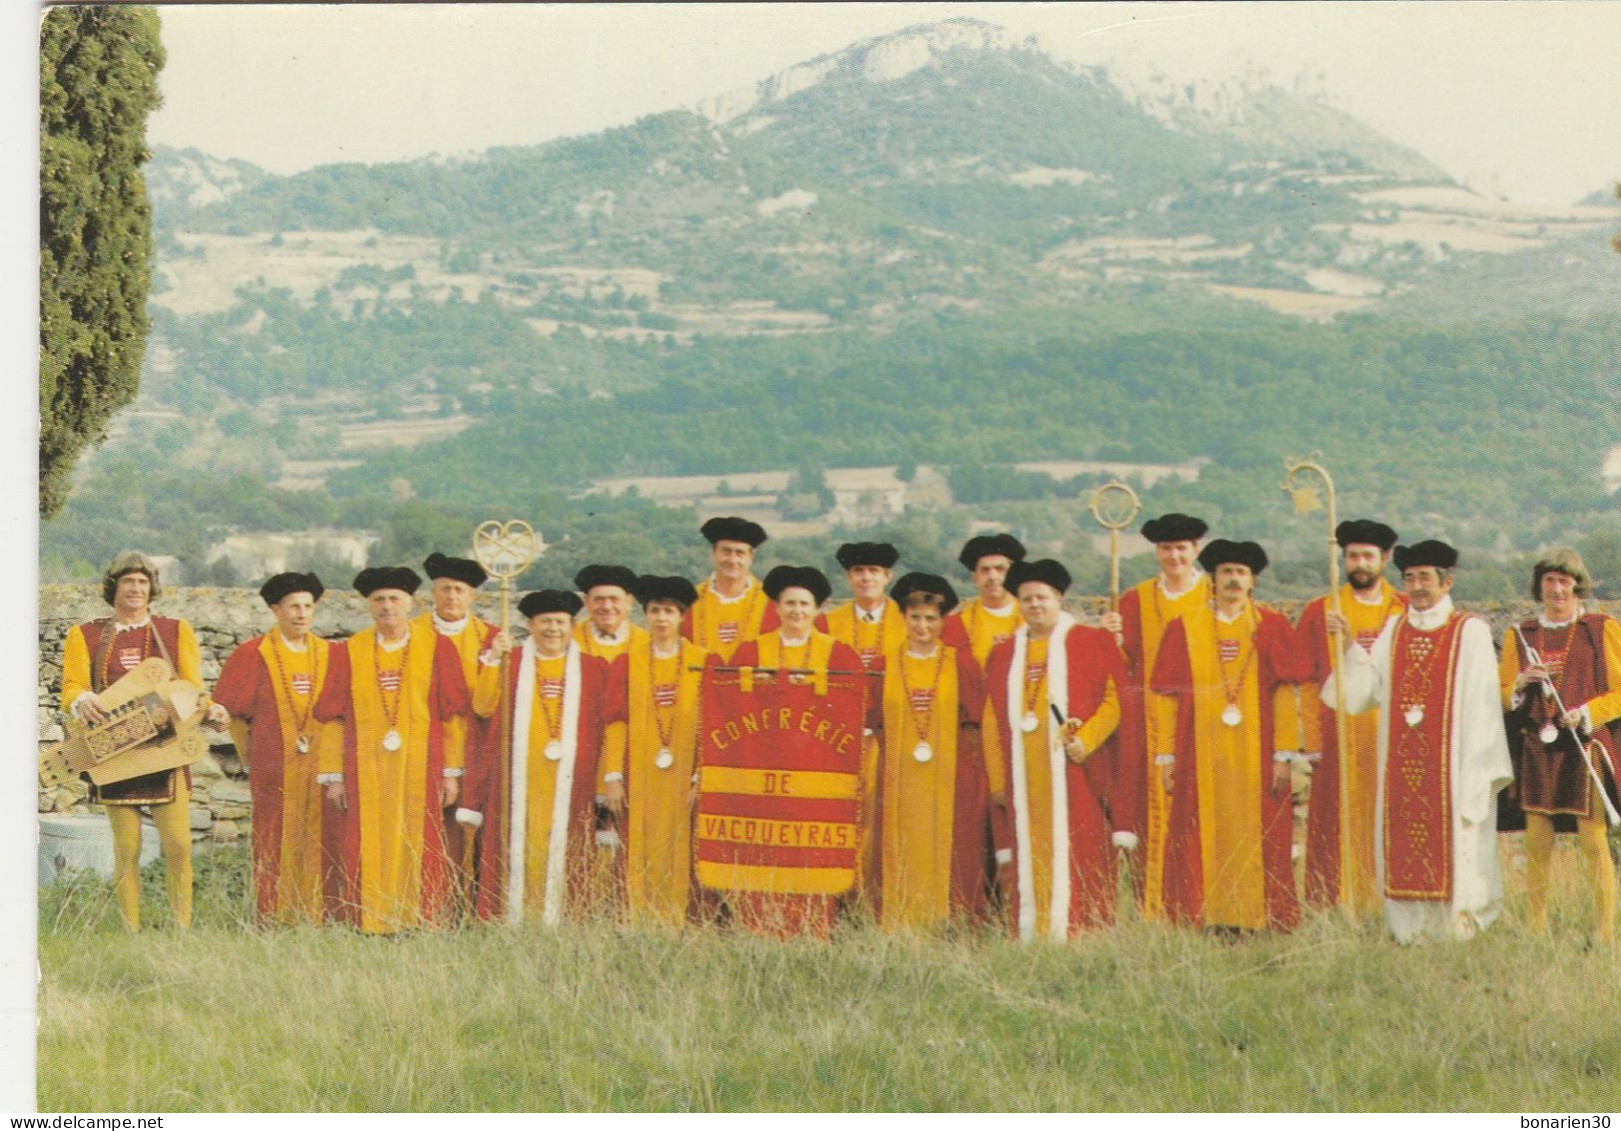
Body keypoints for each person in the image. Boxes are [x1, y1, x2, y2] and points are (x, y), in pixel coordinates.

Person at [1324, 540, 1514, 943]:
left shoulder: (1471, 632)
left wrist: (1474, 770)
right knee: (1402, 839)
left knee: (1457, 844)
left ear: (1447, 581)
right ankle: (1408, 931)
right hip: (1401, 767)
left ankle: (1457, 929)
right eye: (1409, 578)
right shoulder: (1394, 629)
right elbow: (1370, 689)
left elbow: (1483, 705)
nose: (1417, 587)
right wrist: (1347, 646)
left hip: (1454, 765)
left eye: (1425, 578)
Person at [693, 565, 864, 937]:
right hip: (760, 772)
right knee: (762, 853)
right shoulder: (752, 650)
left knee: (809, 855)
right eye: (789, 604)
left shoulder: (840, 656)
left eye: (804, 604)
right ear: (777, 607)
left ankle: (813, 932)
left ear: (818, 609)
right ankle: (756, 931)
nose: (797, 612)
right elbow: (726, 701)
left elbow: (851, 707)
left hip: (815, 776)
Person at [60, 551, 228, 930]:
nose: (135, 588)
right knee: (127, 848)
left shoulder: (174, 631)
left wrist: (213, 709)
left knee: (179, 846)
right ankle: (130, 931)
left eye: (142, 581)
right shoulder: (84, 634)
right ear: (113, 588)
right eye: (127, 581)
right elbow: (72, 687)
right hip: (115, 754)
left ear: (151, 588)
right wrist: (82, 700)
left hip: (165, 753)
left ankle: (181, 929)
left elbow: (193, 689)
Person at [1151, 540, 1305, 934]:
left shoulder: (1271, 627)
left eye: (1241, 572)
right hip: (1198, 754)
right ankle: (1202, 917)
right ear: (1213, 580)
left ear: (1252, 580)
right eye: (1226, 572)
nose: (1234, 579)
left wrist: (1283, 755)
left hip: (1257, 755)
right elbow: (1167, 699)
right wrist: (1166, 757)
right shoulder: (1184, 628)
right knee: (1198, 832)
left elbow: (1285, 694)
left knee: (1260, 833)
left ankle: (1258, 921)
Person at [312, 566, 472, 934]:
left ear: (410, 602)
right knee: (367, 841)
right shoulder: (349, 651)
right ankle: (369, 921)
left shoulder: (437, 647)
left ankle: (420, 920)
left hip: (421, 765)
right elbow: (333, 718)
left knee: (421, 840)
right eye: (379, 599)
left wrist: (451, 773)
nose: (387, 606)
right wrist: (334, 777)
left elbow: (451, 717)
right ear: (368, 605)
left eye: (394, 599)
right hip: (364, 768)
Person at [457, 590, 627, 925]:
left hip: (571, 785)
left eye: (560, 622)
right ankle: (508, 921)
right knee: (515, 850)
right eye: (545, 621)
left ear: (573, 626)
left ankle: (564, 924)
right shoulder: (512, 662)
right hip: (520, 782)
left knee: (568, 851)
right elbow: (483, 706)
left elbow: (608, 726)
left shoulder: (594, 670)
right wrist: (492, 658)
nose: (553, 629)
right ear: (530, 625)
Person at [984, 559, 1130, 939]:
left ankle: (1083, 934)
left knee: (1080, 850)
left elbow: (1116, 701)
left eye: (1043, 597)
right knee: (1030, 857)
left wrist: (1088, 739)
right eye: (1027, 598)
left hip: (1074, 773)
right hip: (1025, 777)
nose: (1035, 605)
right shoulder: (1003, 656)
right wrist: (999, 779)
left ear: (1059, 598)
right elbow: (990, 721)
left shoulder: (1089, 642)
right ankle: (1034, 934)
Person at [1497, 548, 1619, 944]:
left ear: (1577, 584)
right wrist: (1521, 682)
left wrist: (1585, 712)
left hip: (1583, 746)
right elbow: (1500, 695)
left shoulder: (1599, 629)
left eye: (1564, 580)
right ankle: (1536, 928)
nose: (1557, 588)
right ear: (1540, 587)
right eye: (1549, 581)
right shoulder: (1522, 635)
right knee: (1536, 844)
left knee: (1593, 840)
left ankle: (1603, 932)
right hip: (1537, 746)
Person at [1100, 512, 1211, 920]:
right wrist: (1109, 636)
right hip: (1151, 721)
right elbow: (1120, 663)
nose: (1174, 556)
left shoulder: (1214, 592)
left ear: (1196, 549)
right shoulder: (1135, 599)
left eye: (1182, 548)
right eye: (1166, 548)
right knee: (1155, 814)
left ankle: (1205, 901)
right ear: (1156, 552)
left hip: (1205, 715)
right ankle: (1156, 908)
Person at [214, 571, 339, 925]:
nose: (301, 613)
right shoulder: (253, 654)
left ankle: (317, 914)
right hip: (274, 766)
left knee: (320, 839)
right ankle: (272, 916)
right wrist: (251, 756)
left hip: (321, 767)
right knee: (273, 838)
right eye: (293, 607)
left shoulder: (329, 654)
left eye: (307, 606)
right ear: (275, 610)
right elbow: (232, 713)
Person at [1296, 519, 1406, 916]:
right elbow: (1308, 681)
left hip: (1391, 736)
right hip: (1338, 735)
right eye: (1353, 556)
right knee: (1335, 822)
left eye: (1368, 556)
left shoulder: (1405, 609)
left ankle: (1389, 904)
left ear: (1386, 558)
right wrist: (1312, 742)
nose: (1360, 563)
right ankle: (1335, 906)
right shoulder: (1321, 610)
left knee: (1389, 819)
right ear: (1342, 558)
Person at [869, 572, 987, 930]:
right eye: (915, 617)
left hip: (951, 778)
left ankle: (953, 923)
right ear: (902, 617)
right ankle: (896, 922)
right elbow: (872, 720)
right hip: (899, 776)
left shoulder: (961, 663)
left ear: (943, 621)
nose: (923, 626)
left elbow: (978, 721)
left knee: (956, 851)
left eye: (931, 618)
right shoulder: (882, 664)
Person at [818, 541, 905, 902]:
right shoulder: (828, 623)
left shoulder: (910, 619)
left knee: (885, 819)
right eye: (858, 571)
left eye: (873, 571)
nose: (866, 578)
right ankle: (840, 899)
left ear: (888, 576)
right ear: (848, 577)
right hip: (840, 738)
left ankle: (881, 900)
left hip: (892, 736)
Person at [620, 575, 708, 926]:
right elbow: (618, 721)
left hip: (684, 770)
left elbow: (709, 723)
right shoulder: (631, 660)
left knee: (680, 843)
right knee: (645, 842)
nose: (661, 618)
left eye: (669, 611)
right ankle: (643, 917)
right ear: (645, 615)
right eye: (654, 611)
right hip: (643, 770)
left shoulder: (702, 661)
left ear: (681, 617)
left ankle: (679, 920)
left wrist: (701, 773)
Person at [414, 551, 499, 913]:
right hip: (427, 748)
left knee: (476, 837)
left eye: (459, 590)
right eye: (445, 589)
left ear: (472, 596)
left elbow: (489, 706)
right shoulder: (413, 634)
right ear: (433, 592)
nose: (451, 597)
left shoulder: (490, 638)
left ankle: (471, 907)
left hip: (478, 749)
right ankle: (431, 905)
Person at [683, 516, 778, 661]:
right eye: (726, 552)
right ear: (713, 553)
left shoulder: (772, 602)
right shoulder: (688, 600)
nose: (733, 560)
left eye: (740, 553)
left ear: (751, 557)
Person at [573, 563, 648, 662]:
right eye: (599, 599)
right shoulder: (570, 638)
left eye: (614, 599)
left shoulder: (647, 642)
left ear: (629, 601)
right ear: (587, 602)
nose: (607, 607)